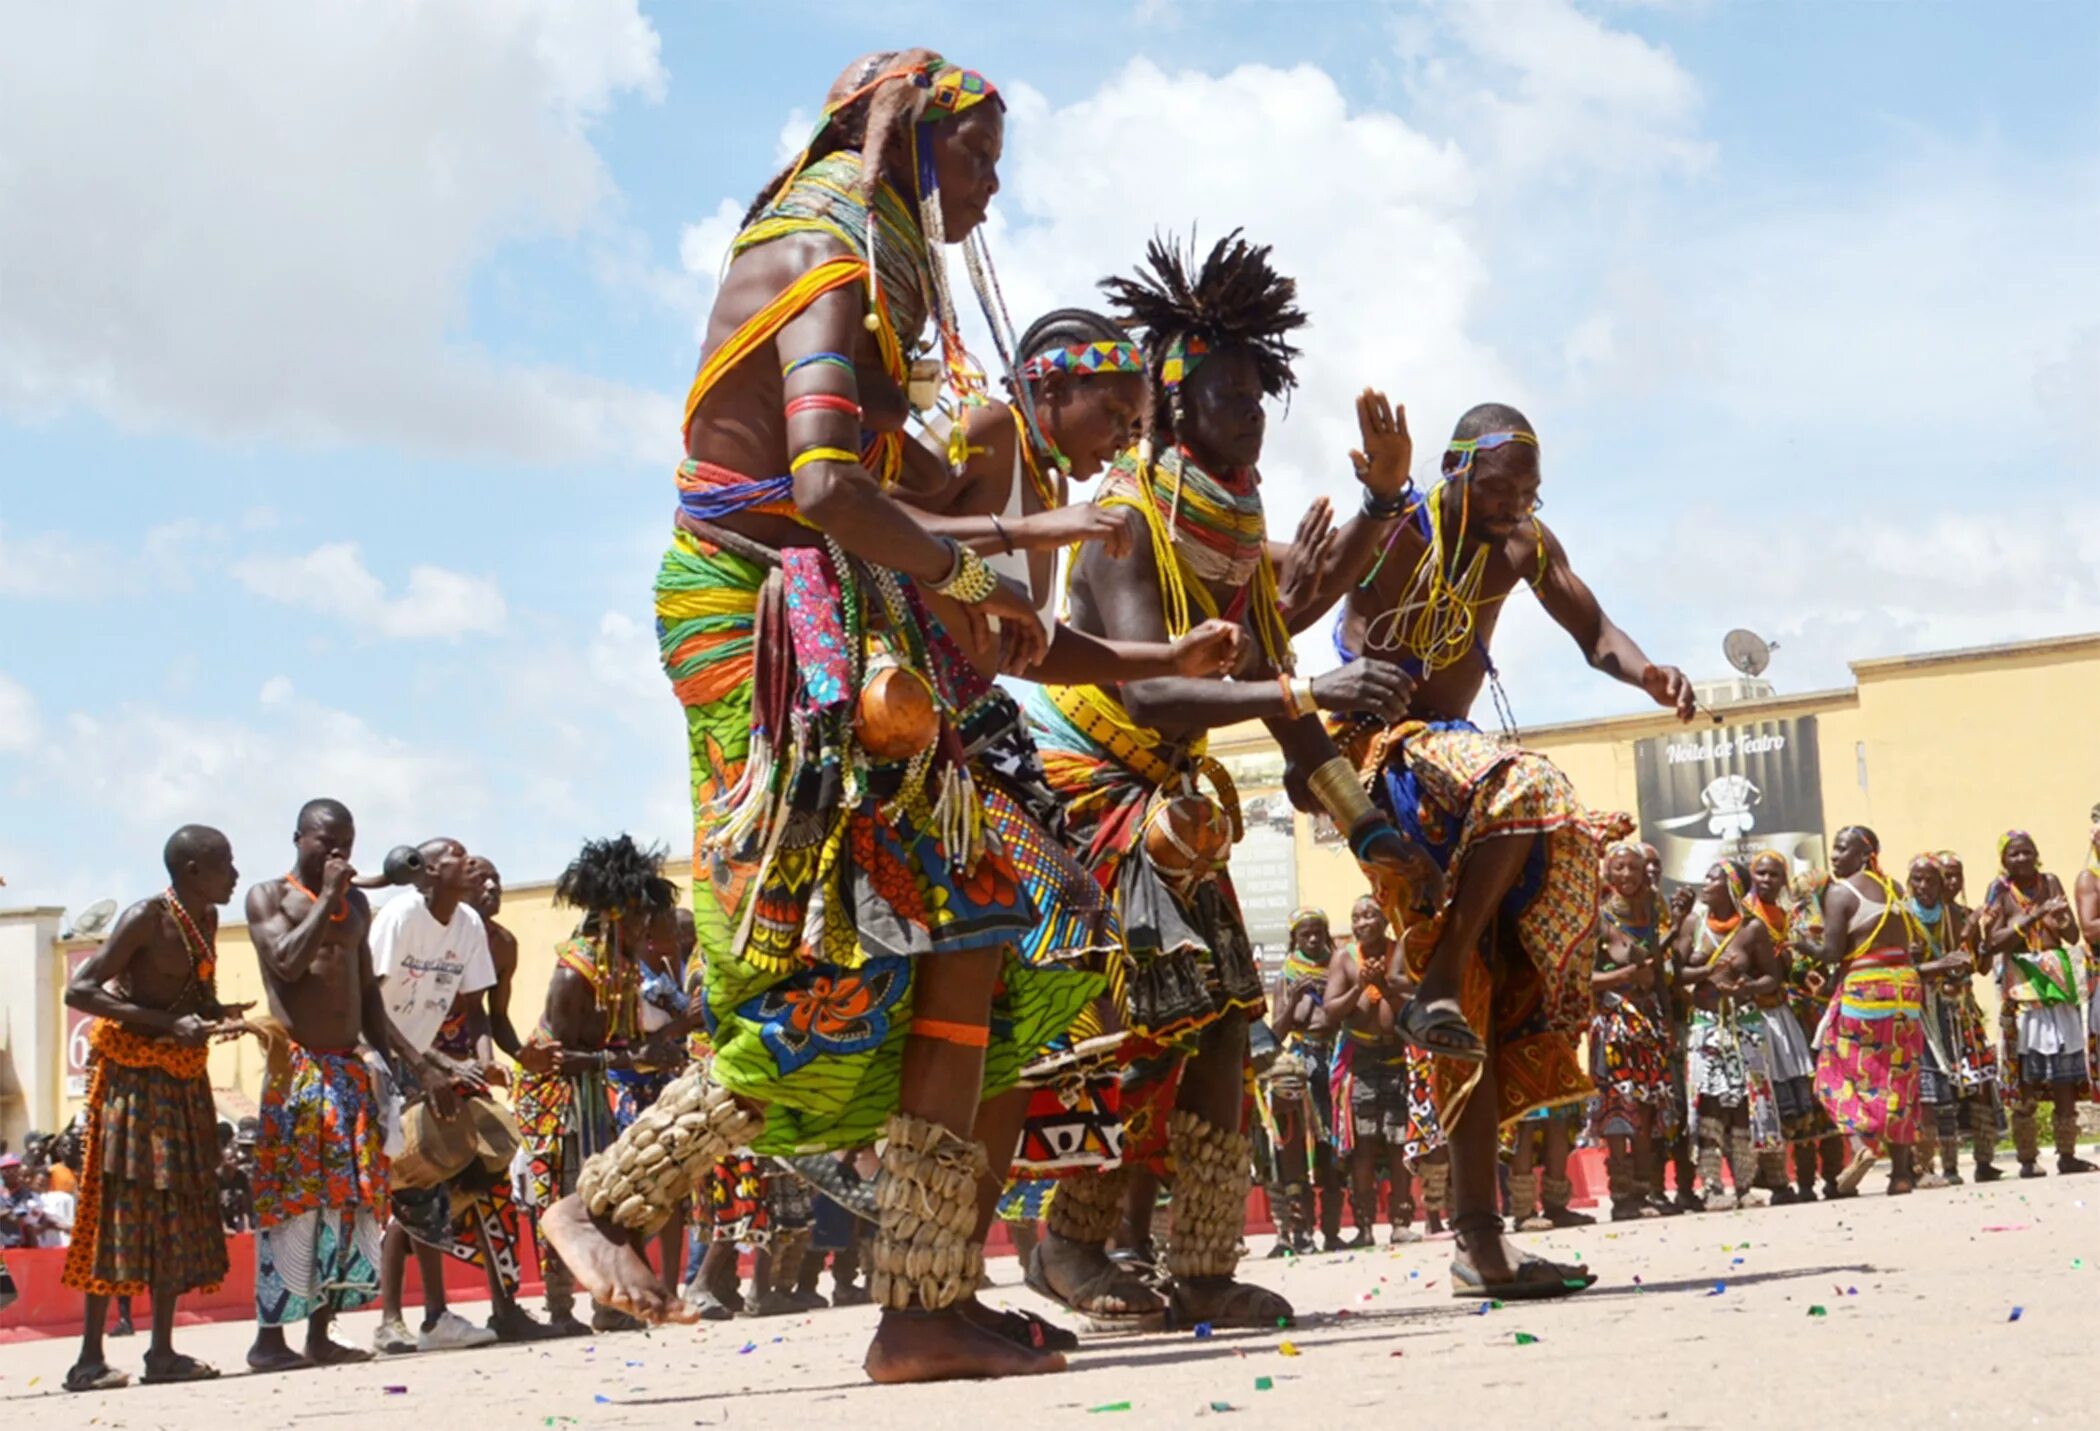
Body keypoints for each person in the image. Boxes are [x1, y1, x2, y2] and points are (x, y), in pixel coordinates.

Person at [541, 51, 1119, 1384]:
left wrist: (1010, 542)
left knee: (980, 921)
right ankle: (605, 1195)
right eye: (977, 154)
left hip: (839, 601)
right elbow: (822, 483)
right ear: (910, 137)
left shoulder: (874, 262)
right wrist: (980, 565)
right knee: (847, 956)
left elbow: (886, 488)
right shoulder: (826, 241)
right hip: (756, 611)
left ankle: (924, 1301)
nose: (989, 185)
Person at [1024, 231, 1437, 1326]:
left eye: (1260, 397)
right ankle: (1064, 1248)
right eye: (1229, 397)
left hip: (1166, 806)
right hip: (1087, 796)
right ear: (1170, 405)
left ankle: (1205, 1263)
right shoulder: (1122, 518)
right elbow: (1159, 696)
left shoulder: (1231, 532)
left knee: (1219, 1022)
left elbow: (1278, 692)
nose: (1252, 418)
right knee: (1130, 1027)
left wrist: (1370, 833)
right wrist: (1309, 699)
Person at [1331, 400, 1695, 1291]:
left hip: (1454, 766)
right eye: (1503, 487)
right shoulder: (1401, 527)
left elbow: (1596, 633)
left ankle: (1481, 1242)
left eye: (1530, 489)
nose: (1518, 503)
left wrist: (1646, 669)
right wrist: (1380, 492)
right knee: (1534, 786)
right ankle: (1445, 969)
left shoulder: (1526, 542)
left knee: (1486, 1002)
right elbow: (1348, 609)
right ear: (1458, 471)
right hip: (1382, 753)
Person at [60, 824, 255, 1391]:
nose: (235, 875)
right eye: (226, 864)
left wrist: (218, 1013)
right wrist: (169, 1024)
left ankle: (162, 1352)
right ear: (193, 871)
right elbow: (80, 990)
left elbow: (189, 995)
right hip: (132, 1080)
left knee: (175, 1204)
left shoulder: (207, 919)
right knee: (121, 1203)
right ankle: (89, 1358)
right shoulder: (147, 917)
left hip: (181, 1079)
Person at [244, 799, 434, 1372]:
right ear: (297, 837)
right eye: (325, 841)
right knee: (291, 1203)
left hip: (348, 1070)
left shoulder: (357, 904)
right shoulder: (266, 897)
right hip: (297, 1073)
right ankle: (269, 1338)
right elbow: (285, 963)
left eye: (345, 843)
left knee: (347, 1204)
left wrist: (411, 1059)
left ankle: (321, 1333)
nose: (337, 853)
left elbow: (366, 994)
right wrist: (326, 896)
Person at [369, 838, 540, 1354]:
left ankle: (457, 1313)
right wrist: (428, 1065)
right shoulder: (400, 916)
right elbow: (371, 1008)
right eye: (458, 856)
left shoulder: (468, 927)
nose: (473, 864)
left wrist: (486, 1058)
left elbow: (478, 1009)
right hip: (382, 1056)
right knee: (406, 1186)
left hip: (432, 1062)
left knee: (458, 1174)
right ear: (428, 871)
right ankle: (392, 1320)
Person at [515, 835, 672, 1334]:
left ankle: (612, 1303)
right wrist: (633, 1057)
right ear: (612, 915)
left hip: (595, 1094)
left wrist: (648, 1053)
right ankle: (561, 1309)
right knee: (564, 1197)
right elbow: (560, 1058)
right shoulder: (573, 972)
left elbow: (620, 1042)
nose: (646, 925)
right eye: (639, 916)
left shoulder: (622, 968)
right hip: (557, 1101)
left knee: (607, 1197)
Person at [1813, 827, 1927, 1194]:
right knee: (1900, 1075)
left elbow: (1832, 952)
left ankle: (1861, 1147)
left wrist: (1801, 945)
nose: (1833, 856)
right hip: (1906, 990)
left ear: (1865, 854)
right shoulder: (1894, 887)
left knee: (1835, 1068)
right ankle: (1901, 1174)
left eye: (1842, 849)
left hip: (1867, 989)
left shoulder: (1841, 893)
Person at [1978, 830, 2093, 1177]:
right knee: (2025, 1071)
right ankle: (2027, 1158)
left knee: (2064, 1074)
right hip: (2023, 988)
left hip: (2057, 985)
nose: (2022, 859)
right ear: (2004, 859)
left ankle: (2067, 1153)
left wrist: (2061, 920)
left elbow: (2072, 936)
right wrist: (2028, 918)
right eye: (2014, 854)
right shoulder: (1999, 891)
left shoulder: (2051, 882)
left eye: (2027, 852)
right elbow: (1993, 941)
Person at [1327, 897, 1426, 1245]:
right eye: (1356, 916)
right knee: (1363, 1145)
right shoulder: (1343, 958)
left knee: (1399, 1142)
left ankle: (1401, 1221)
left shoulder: (1397, 950)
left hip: (1397, 1059)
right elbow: (1331, 1011)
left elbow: (1413, 1000)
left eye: (1369, 915)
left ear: (1384, 919)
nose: (1362, 922)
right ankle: (1365, 1227)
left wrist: (1384, 986)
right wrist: (1359, 987)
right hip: (1361, 1062)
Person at [1590, 842, 1672, 1220]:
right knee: (1617, 1107)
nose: (1626, 876)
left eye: (1634, 870)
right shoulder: (1597, 918)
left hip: (1647, 1022)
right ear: (1608, 871)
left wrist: (1665, 1016)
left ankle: (1646, 1188)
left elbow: (1658, 974)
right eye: (1619, 868)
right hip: (1613, 1023)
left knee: (1645, 1107)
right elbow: (1584, 978)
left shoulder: (1653, 913)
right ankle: (1622, 1195)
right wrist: (1625, 976)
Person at [1906, 855, 1992, 1188]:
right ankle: (1925, 1166)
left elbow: (1967, 964)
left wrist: (1971, 937)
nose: (1923, 887)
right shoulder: (1901, 916)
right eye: (1917, 880)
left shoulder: (1955, 916)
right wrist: (1940, 965)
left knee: (1967, 1086)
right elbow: (1905, 969)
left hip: (1956, 1009)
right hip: (1920, 1013)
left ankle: (1961, 1165)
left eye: (1931, 881)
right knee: (1929, 1090)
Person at [1262, 908, 1342, 1251]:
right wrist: (1296, 998)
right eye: (1305, 934)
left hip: (1337, 1057)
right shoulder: (1286, 976)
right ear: (1294, 938)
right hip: (1300, 1064)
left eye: (1317, 933)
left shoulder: (1339, 968)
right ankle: (1300, 1231)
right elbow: (1276, 1033)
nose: (1312, 939)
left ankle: (1334, 1232)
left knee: (1334, 1147)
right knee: (1298, 1146)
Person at [1931, 852, 2003, 1181]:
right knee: (1943, 1088)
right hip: (1937, 1012)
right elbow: (1947, 959)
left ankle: (1984, 1160)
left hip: (1965, 1010)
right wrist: (1968, 929)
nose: (1953, 882)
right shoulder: (1924, 917)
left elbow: (1980, 966)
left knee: (1982, 1082)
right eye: (1946, 876)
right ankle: (1946, 1165)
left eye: (1957, 875)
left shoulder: (1963, 913)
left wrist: (1983, 935)